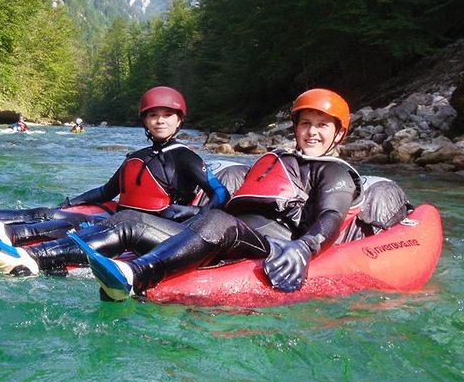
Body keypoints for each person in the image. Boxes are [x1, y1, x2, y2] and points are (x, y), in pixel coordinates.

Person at [70, 88, 362, 300]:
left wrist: (306, 247)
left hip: (267, 245)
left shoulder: (335, 172)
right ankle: (40, 259)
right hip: (225, 237)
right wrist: (196, 213)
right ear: (296, 127)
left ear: (338, 134)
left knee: (217, 221)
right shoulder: (281, 159)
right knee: (132, 219)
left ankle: (136, 274)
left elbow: (331, 216)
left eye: (322, 125)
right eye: (306, 123)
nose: (312, 132)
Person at [0, 86, 231, 272]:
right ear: (145, 120)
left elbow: (219, 194)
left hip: (158, 231)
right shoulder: (136, 156)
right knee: (53, 215)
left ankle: (31, 253)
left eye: (168, 115)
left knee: (86, 228)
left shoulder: (186, 157)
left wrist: (196, 213)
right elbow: (107, 191)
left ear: (179, 120)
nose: (160, 120)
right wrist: (73, 201)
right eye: (154, 115)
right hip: (123, 218)